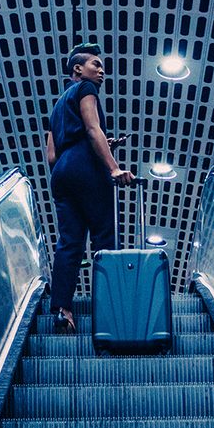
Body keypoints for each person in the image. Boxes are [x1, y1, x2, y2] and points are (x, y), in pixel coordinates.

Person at [44, 46, 135, 331]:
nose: (101, 70)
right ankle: (109, 309)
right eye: (95, 65)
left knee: (69, 242)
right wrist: (112, 167)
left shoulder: (58, 106)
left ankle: (62, 309)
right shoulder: (86, 90)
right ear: (77, 71)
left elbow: (51, 156)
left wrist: (74, 166)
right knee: (104, 238)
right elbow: (93, 129)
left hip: (62, 173)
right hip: (86, 168)